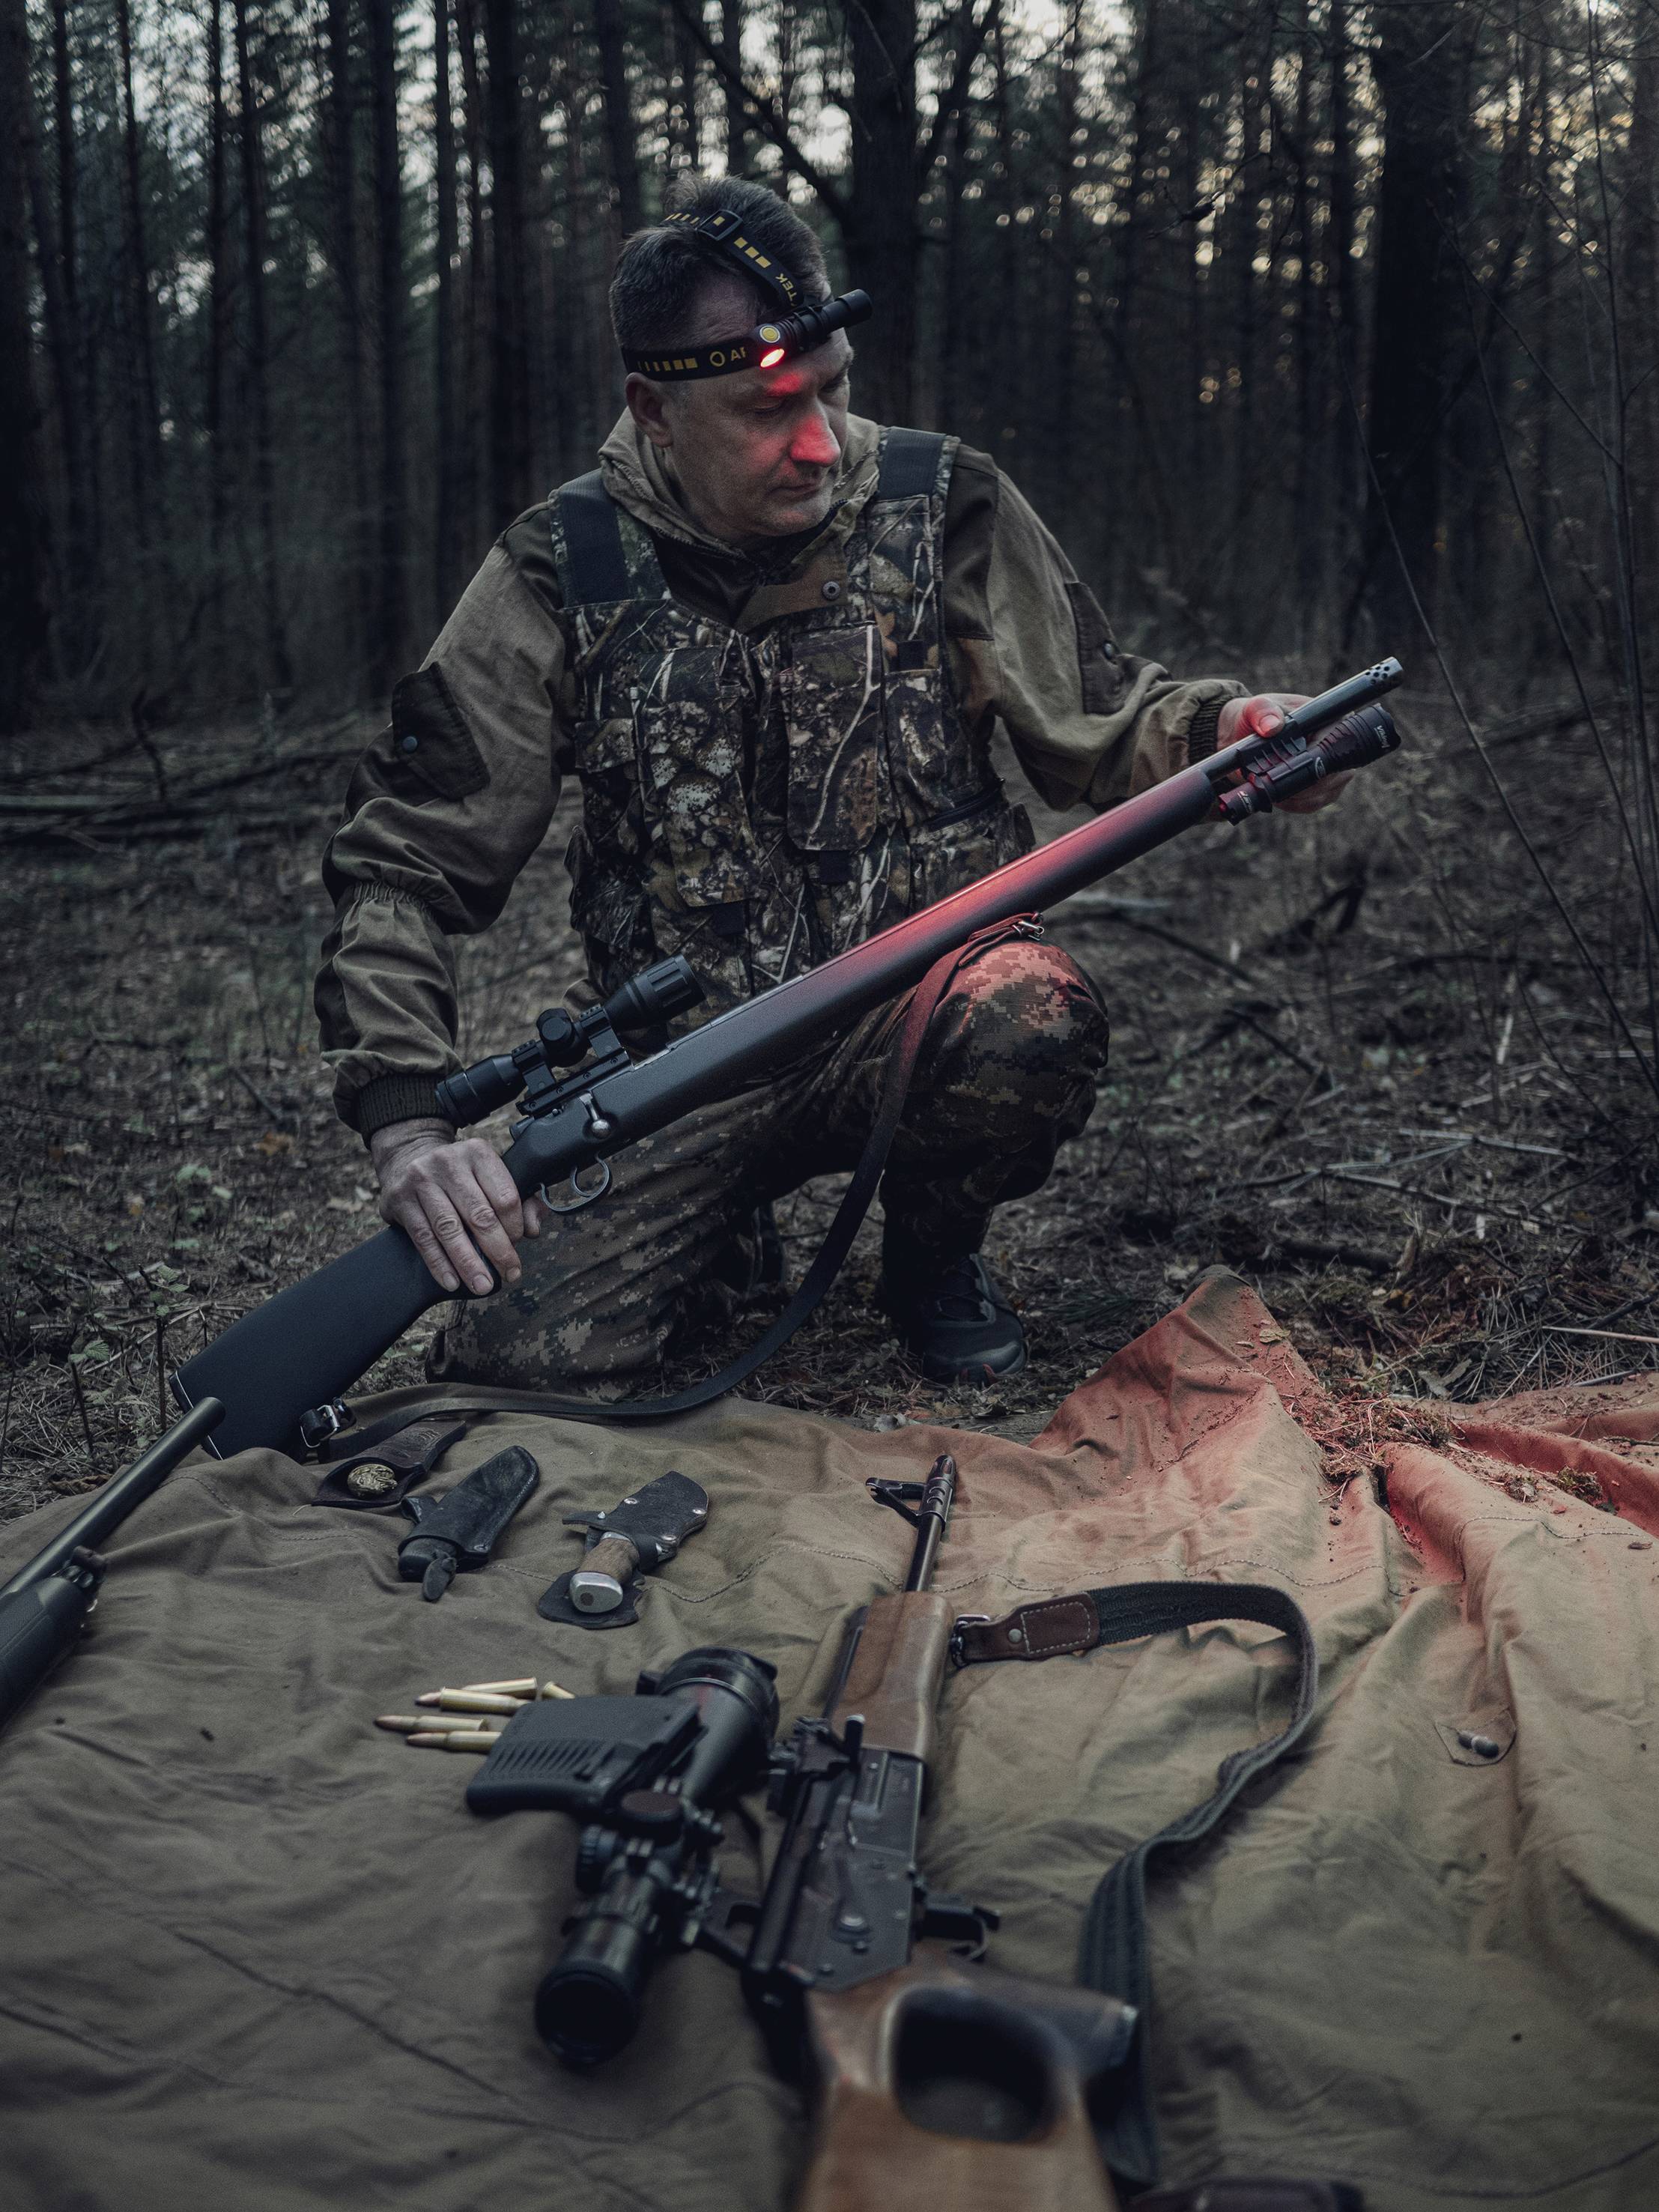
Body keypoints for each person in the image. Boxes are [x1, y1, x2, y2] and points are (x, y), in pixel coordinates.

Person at [315, 176, 1341, 1395]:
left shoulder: (944, 501)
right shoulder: (560, 566)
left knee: (1031, 1011)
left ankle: (934, 1250)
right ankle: (722, 1228)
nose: (818, 443)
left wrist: (1232, 728)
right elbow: (404, 860)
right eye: (766, 410)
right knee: (518, 1358)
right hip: (683, 1069)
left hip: (914, 1015)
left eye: (834, 389)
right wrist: (410, 1127)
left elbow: (1104, 719)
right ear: (653, 410)